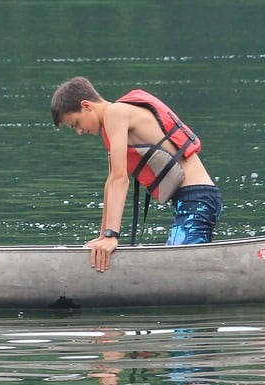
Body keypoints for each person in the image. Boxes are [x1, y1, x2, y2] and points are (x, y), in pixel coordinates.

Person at [50, 76, 223, 272]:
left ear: (87, 106)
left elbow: (120, 180)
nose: (79, 131)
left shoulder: (116, 113)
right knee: (184, 263)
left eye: (76, 123)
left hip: (197, 200)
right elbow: (111, 182)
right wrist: (102, 237)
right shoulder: (113, 122)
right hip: (195, 200)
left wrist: (111, 236)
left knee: (181, 268)